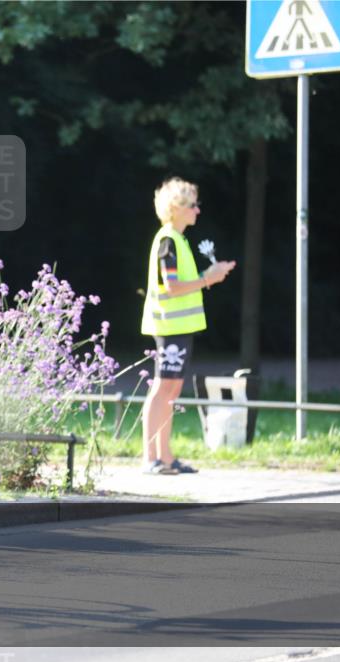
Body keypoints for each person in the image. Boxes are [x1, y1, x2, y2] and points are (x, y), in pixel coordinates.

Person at [140, 177, 236, 475]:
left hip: (179, 327)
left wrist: (209, 275)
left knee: (171, 389)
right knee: (162, 388)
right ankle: (151, 458)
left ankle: (165, 457)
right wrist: (209, 278)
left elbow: (178, 284)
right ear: (176, 208)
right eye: (193, 205)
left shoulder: (177, 239)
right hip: (169, 326)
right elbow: (171, 286)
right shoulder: (168, 240)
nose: (198, 210)